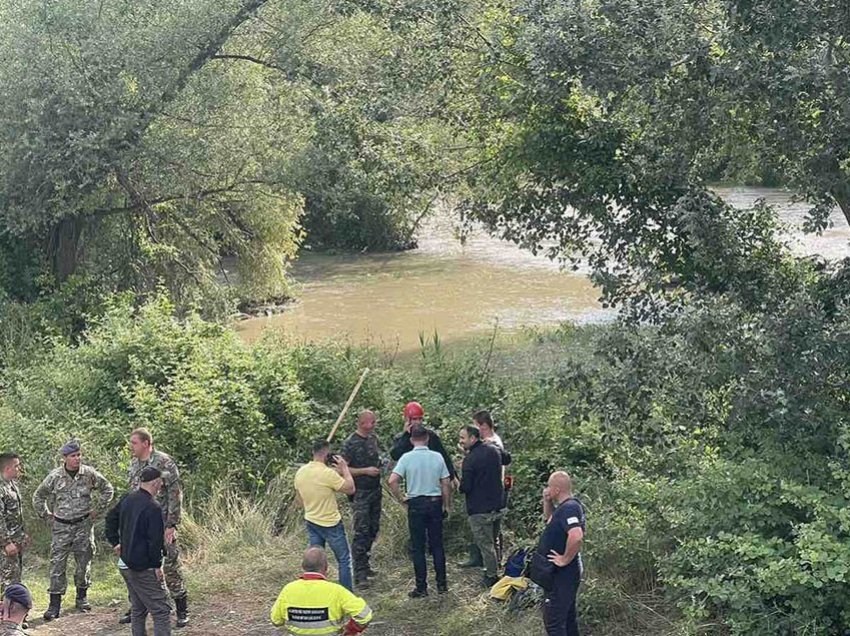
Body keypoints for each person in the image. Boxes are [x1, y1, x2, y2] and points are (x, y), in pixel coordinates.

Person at [32, 440, 115, 620]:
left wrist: (97, 510)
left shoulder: (89, 474)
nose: (77, 459)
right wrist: (46, 516)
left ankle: (81, 597)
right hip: (61, 526)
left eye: (79, 455)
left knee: (83, 562)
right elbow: (38, 496)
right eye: (73, 456)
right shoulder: (55, 477)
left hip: (83, 525)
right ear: (64, 458)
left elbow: (108, 489)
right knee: (57, 565)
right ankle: (54, 605)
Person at [122, 428, 189, 627]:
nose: (130, 446)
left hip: (161, 522)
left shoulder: (164, 462)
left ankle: (181, 609)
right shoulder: (134, 464)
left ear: (146, 443)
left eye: (134, 443)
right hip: (139, 526)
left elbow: (175, 494)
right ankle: (138, 607)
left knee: (169, 565)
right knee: (137, 565)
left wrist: (172, 524)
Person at [105, 466, 172, 636]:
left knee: (139, 609)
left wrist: (115, 542)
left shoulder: (128, 498)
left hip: (125, 564)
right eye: (161, 483)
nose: (161, 487)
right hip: (143, 568)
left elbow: (110, 518)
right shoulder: (153, 507)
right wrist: (157, 566)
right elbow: (155, 541)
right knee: (161, 611)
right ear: (156, 482)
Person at [388, 427, 451, 598]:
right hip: (434, 503)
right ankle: (442, 585)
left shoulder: (407, 458)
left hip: (416, 503)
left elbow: (392, 480)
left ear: (411, 440)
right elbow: (446, 483)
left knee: (418, 547)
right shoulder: (437, 457)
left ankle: (421, 587)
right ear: (427, 439)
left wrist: (402, 498)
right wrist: (446, 505)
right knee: (437, 545)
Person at [294, 439, 356, 591]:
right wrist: (345, 469)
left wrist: (310, 509)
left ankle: (315, 591)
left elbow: (298, 499)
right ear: (327, 454)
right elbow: (350, 488)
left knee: (315, 561)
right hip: (331, 523)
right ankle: (346, 594)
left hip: (311, 521)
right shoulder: (327, 473)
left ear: (313, 452)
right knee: (343, 560)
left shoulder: (301, 472)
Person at [270, 547, 373, 636]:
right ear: (326, 567)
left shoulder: (288, 589)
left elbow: (276, 620)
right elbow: (365, 615)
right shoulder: (336, 590)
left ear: (303, 566)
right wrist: (350, 630)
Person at [538, 471, 585, 636]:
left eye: (549, 487)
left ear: (557, 489)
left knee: (554, 622)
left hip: (564, 573)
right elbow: (549, 520)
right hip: (561, 573)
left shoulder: (570, 508)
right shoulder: (564, 508)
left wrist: (565, 559)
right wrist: (547, 501)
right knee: (567, 619)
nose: (547, 489)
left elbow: (576, 536)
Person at [340, 410, 383, 589]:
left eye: (374, 422)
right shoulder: (350, 443)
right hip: (360, 493)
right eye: (371, 422)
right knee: (361, 531)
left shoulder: (373, 439)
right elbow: (342, 469)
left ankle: (365, 563)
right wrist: (365, 471)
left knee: (373, 529)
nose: (373, 425)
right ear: (361, 423)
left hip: (375, 490)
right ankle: (359, 573)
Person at [458, 425, 504, 587]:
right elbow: (507, 459)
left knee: (486, 544)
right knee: (494, 539)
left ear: (473, 438)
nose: (460, 441)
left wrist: (458, 479)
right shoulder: (493, 450)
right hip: (497, 504)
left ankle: (491, 576)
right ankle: (496, 567)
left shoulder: (470, 460)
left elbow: (465, 487)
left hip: (479, 508)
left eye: (463, 438)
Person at [389, 402, 457, 485]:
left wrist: (452, 476)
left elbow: (444, 457)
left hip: (433, 480)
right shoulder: (401, 439)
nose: (418, 422)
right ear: (407, 419)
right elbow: (395, 455)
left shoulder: (430, 436)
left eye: (420, 419)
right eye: (414, 419)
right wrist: (406, 435)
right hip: (413, 482)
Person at [0, 454, 27, 596]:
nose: (19, 469)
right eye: (17, 466)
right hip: (6, 544)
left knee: (15, 578)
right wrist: (6, 542)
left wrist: (22, 535)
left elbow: (15, 515)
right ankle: (4, 613)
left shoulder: (12, 485)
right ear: (8, 468)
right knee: (6, 581)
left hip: (16, 541)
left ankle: (13, 613)